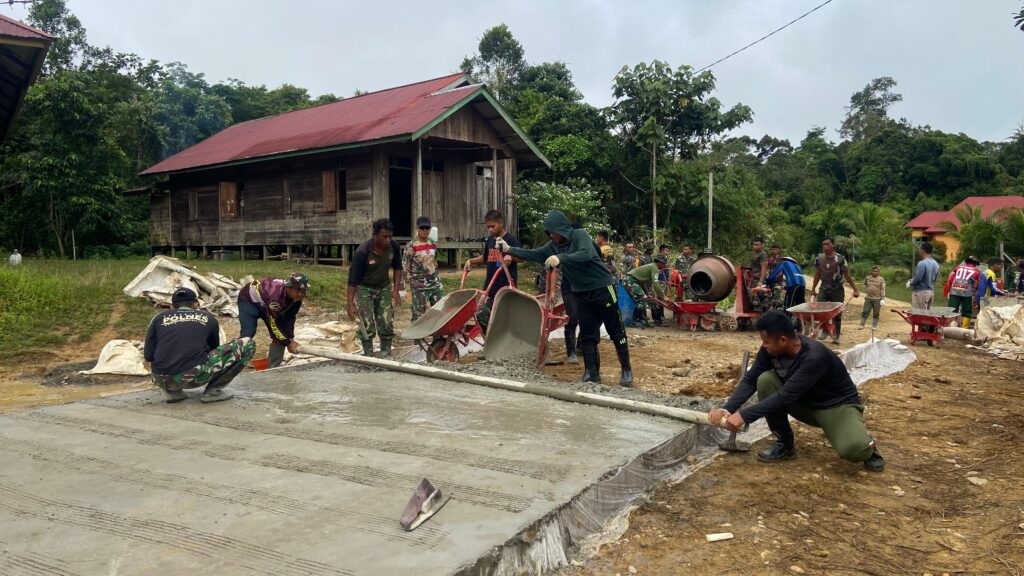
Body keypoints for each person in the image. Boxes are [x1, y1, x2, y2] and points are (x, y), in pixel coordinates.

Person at [708, 311, 885, 472]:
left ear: (783, 340)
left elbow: (785, 397)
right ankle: (785, 443)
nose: (763, 346)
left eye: (766, 341)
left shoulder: (814, 357)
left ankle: (868, 445)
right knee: (765, 380)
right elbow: (751, 379)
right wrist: (727, 408)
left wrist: (744, 416)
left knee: (854, 450)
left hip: (836, 408)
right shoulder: (770, 351)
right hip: (804, 403)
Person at [498, 210, 633, 386]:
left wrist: (560, 258)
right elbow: (534, 253)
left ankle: (626, 370)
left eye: (553, 232)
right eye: (549, 233)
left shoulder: (580, 235)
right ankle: (591, 372)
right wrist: (509, 249)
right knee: (587, 333)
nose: (552, 236)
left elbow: (585, 254)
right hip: (581, 293)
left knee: (616, 330)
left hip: (602, 288)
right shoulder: (553, 245)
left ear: (562, 229)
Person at [146, 287, 255, 403]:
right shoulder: (208, 318)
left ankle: (173, 392)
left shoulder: (158, 318)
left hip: (160, 379)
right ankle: (213, 391)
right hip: (193, 377)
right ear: (196, 304)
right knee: (248, 343)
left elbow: (148, 355)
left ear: (172, 306)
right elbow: (213, 350)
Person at [348, 218, 403, 356]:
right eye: (384, 237)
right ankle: (368, 355)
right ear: (375, 235)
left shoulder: (394, 247)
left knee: (386, 321)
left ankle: (386, 353)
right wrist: (350, 304)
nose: (388, 240)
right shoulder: (362, 252)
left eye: (390, 236)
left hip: (384, 287)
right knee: (366, 323)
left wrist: (396, 290)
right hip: (364, 288)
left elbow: (398, 268)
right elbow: (352, 281)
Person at [463, 209, 521, 334]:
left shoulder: (511, 240)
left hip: (506, 289)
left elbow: (522, 258)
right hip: (490, 288)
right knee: (481, 316)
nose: (490, 229)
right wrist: (470, 261)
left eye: (492, 226)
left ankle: (503, 340)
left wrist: (511, 257)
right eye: (488, 227)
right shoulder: (490, 240)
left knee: (503, 320)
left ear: (501, 223)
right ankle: (490, 341)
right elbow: (485, 258)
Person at [238, 272, 309, 368]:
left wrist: (290, 338)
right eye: (298, 290)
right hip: (249, 299)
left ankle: (273, 367)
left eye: (304, 290)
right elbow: (273, 325)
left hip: (265, 302)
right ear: (289, 288)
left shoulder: (298, 296)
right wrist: (288, 342)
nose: (301, 293)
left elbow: (290, 317)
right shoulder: (275, 298)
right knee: (248, 332)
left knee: (282, 335)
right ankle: (237, 360)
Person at [810, 236, 860, 345]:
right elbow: (817, 274)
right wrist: (813, 289)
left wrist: (855, 289)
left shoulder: (840, 259)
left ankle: (837, 335)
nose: (825, 246)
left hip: (837, 289)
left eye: (828, 244)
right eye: (823, 245)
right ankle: (825, 330)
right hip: (824, 288)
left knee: (837, 312)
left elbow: (847, 275)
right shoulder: (819, 258)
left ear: (833, 245)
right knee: (821, 311)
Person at [403, 216, 445, 323]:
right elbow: (405, 266)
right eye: (422, 228)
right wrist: (405, 287)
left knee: (441, 314)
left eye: (427, 228)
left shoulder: (432, 243)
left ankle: (438, 334)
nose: (425, 230)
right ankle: (417, 334)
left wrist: (438, 279)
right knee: (418, 317)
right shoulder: (411, 246)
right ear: (417, 228)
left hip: (435, 285)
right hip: (419, 288)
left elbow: (434, 262)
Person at [624, 255, 668, 328]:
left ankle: (643, 320)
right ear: (660, 263)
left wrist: (647, 293)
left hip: (632, 280)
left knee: (646, 299)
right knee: (642, 300)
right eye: (664, 264)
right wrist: (663, 296)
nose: (665, 266)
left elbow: (642, 282)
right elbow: (656, 284)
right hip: (630, 280)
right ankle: (636, 321)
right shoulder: (655, 268)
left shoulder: (652, 266)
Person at [944, 256, 981, 329]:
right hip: (967, 293)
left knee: (951, 310)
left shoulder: (957, 268)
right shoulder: (977, 271)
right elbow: (977, 284)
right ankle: (964, 329)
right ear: (975, 264)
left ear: (966, 262)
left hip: (954, 291)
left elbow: (951, 279)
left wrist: (950, 289)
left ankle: (949, 327)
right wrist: (974, 291)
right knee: (966, 312)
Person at [908, 241, 940, 309]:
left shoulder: (922, 263)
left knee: (918, 314)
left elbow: (918, 279)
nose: (919, 251)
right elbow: (934, 279)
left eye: (920, 249)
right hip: (930, 292)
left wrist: (910, 283)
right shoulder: (936, 264)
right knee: (926, 314)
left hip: (921, 293)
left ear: (923, 250)